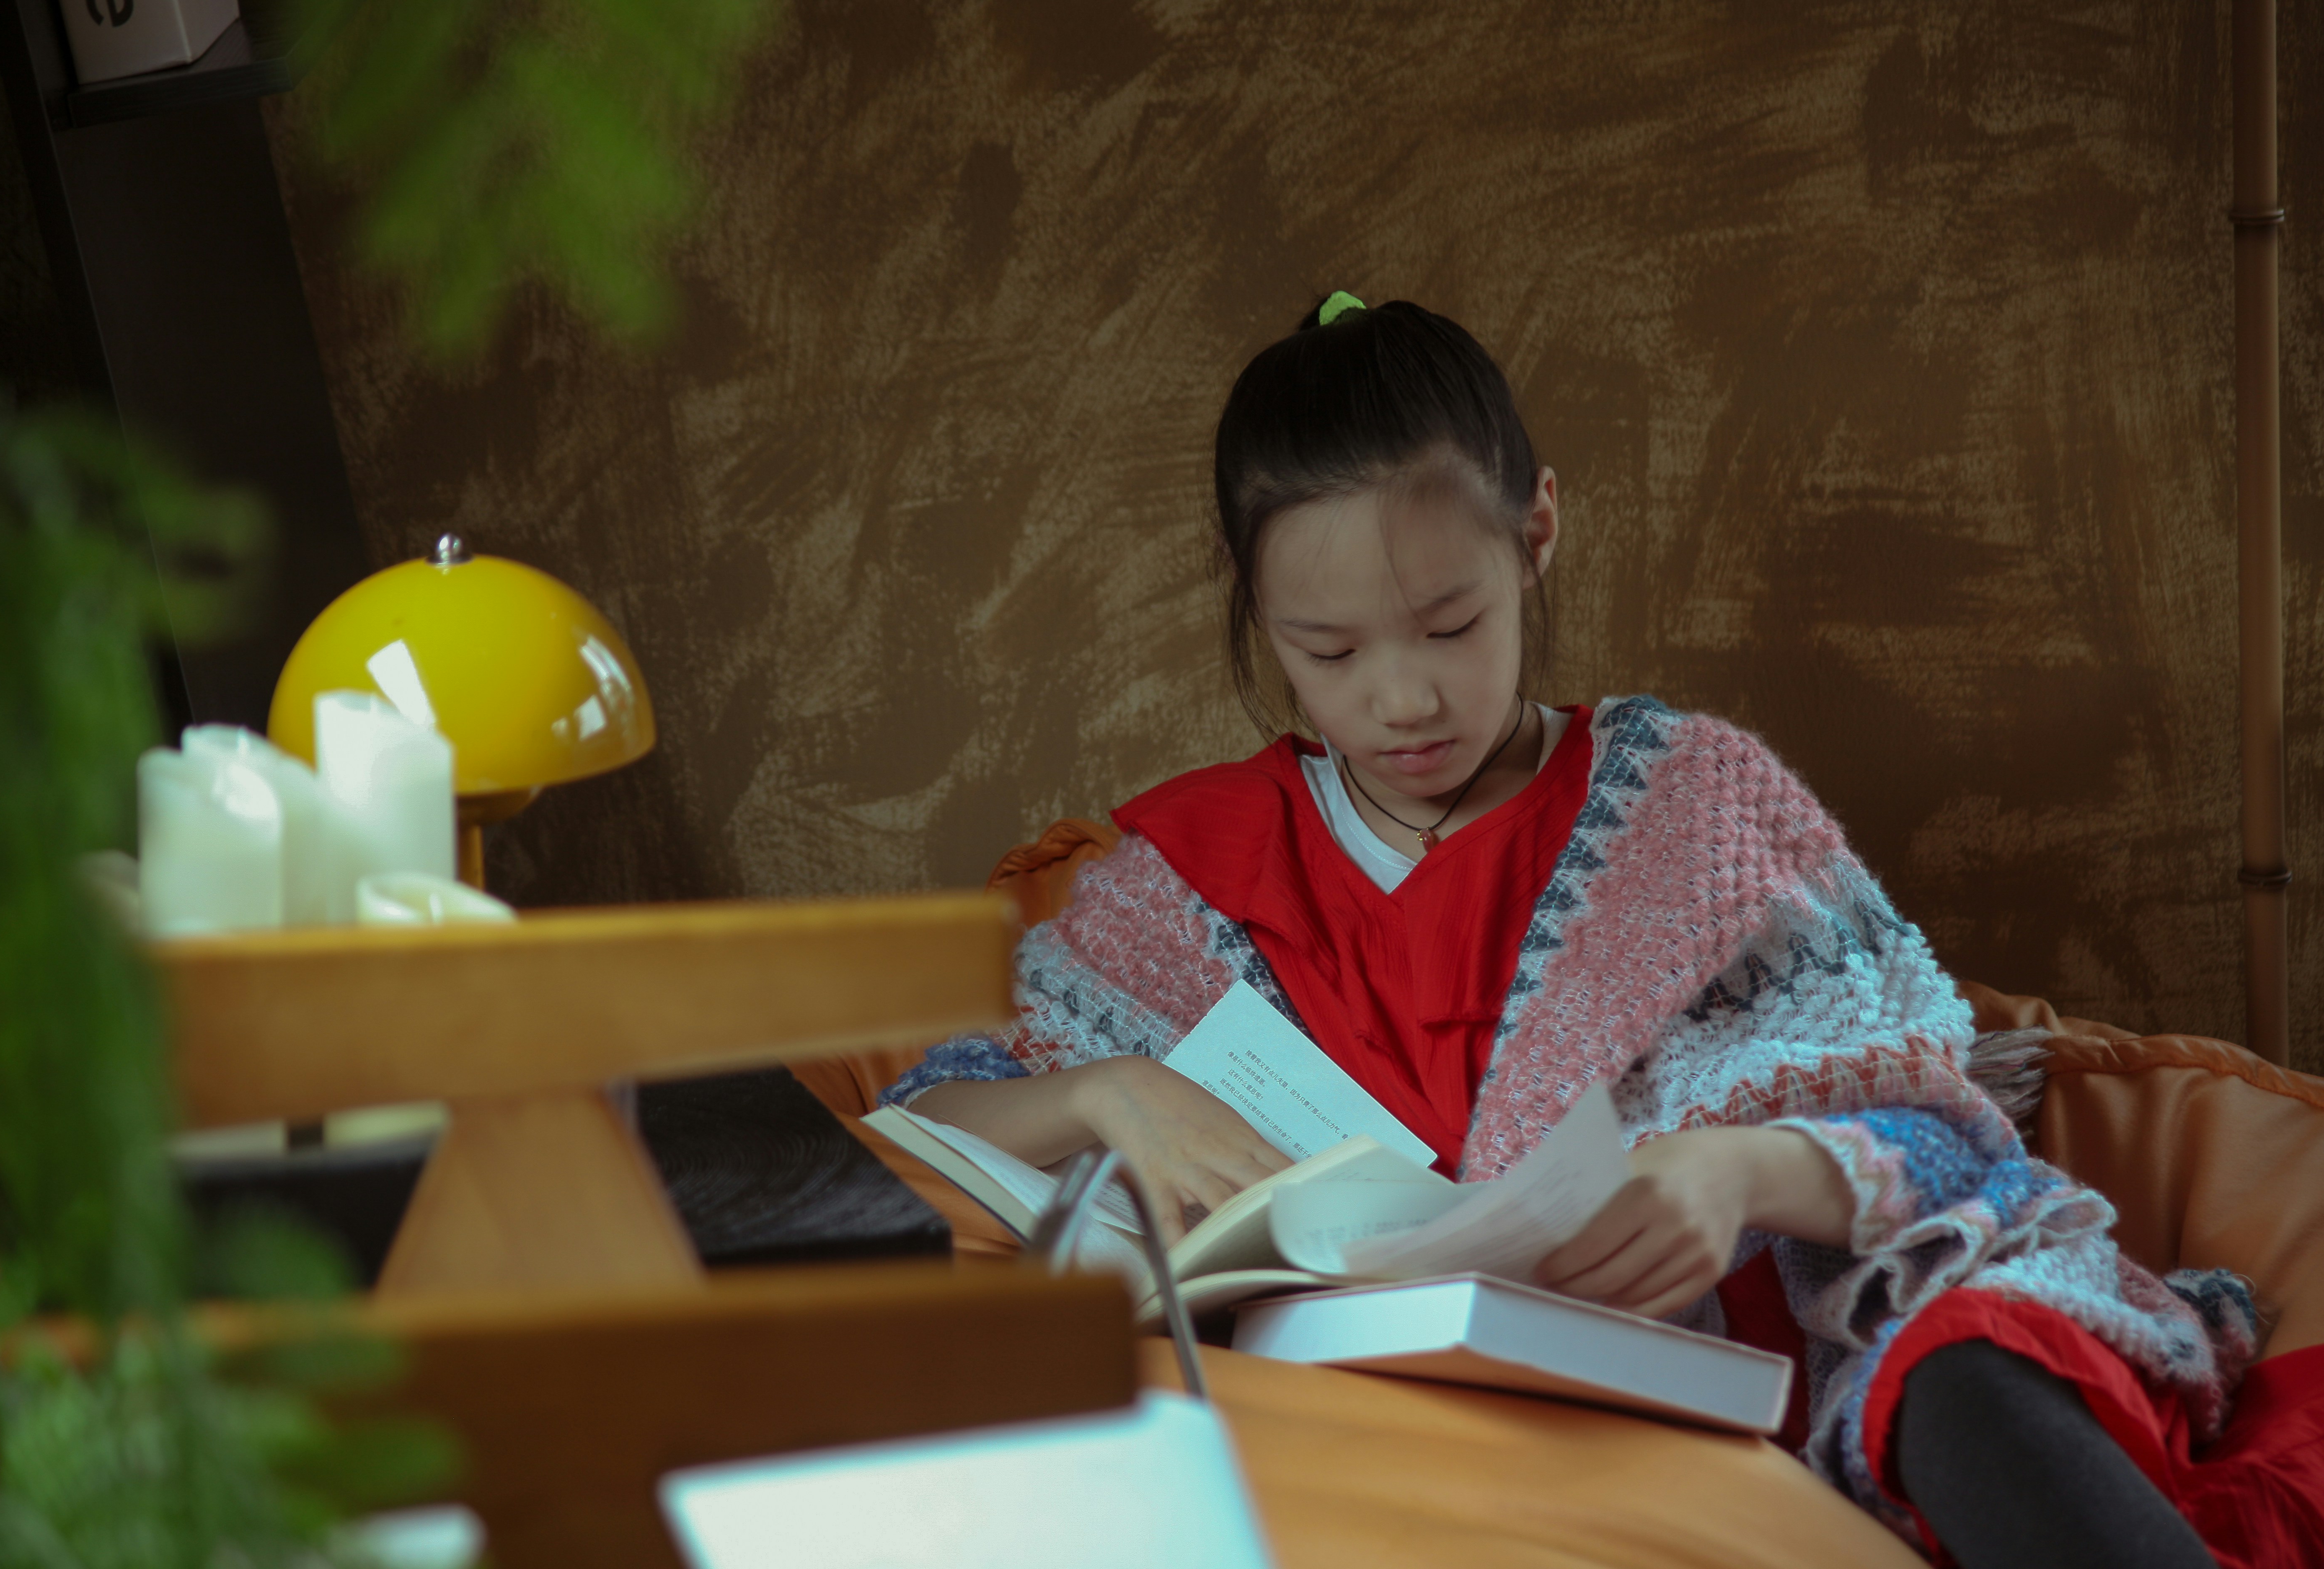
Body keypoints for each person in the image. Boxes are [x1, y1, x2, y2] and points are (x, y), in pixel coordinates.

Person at [883, 293, 2319, 1567]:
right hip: (1369, 1403)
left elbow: (1944, 1133)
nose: (1403, 699)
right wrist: (1110, 1093)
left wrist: (1733, 1168)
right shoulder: (1185, 880)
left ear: (1538, 534)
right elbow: (920, 1124)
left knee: (1970, 1368)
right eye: (1330, 652)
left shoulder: (1691, 807)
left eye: (1451, 624)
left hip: (1767, 1355)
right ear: (1251, 600)